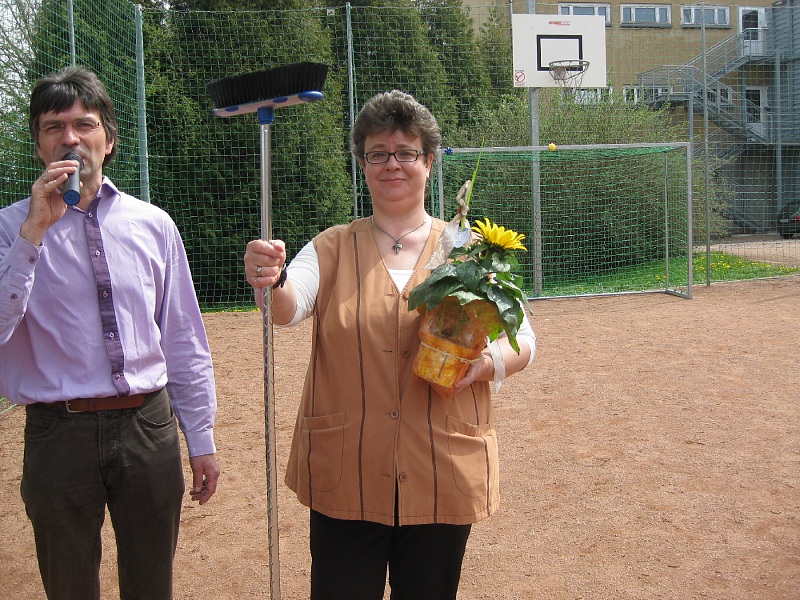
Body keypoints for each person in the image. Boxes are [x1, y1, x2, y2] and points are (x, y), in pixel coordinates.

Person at [243, 90, 536, 599]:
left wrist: (486, 364)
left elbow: (523, 337)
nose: (392, 164)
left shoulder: (470, 250)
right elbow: (286, 307)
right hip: (346, 473)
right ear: (362, 164)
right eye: (377, 153)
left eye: (406, 152)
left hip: (441, 469)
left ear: (429, 161)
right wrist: (270, 278)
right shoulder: (331, 246)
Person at [0, 65, 219, 599]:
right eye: (54, 126)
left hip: (148, 428)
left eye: (84, 124)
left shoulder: (153, 224)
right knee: (69, 586)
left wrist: (201, 439)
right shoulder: (9, 229)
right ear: (38, 145)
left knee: (151, 585)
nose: (70, 138)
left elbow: (183, 339)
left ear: (109, 139)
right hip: (58, 435)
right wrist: (33, 234)